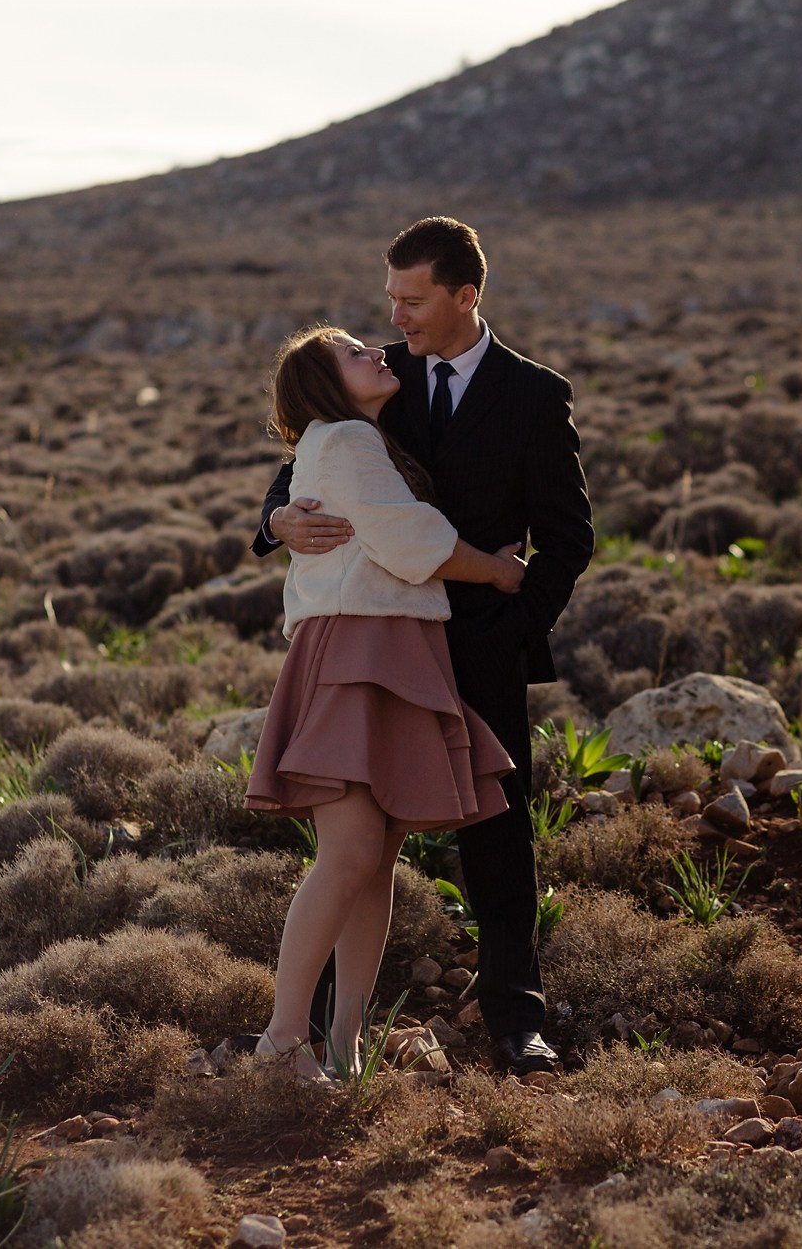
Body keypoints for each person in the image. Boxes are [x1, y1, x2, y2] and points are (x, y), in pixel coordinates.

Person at [253, 217, 592, 1076]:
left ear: (463, 296)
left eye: (412, 300)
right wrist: (275, 519)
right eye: (391, 299)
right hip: (381, 647)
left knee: (500, 832)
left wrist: (517, 626)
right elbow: (301, 471)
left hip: (479, 646)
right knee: (364, 844)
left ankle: (517, 1017)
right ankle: (324, 1028)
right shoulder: (374, 381)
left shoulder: (533, 394)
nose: (395, 318)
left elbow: (568, 533)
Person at [243, 324, 526, 1075]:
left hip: (391, 648)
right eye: (350, 350)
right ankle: (281, 1040)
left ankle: (344, 1045)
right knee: (351, 855)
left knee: (373, 862)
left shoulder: (358, 434)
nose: (376, 347)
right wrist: (495, 571)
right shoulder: (341, 438)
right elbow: (408, 539)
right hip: (358, 649)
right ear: (324, 384)